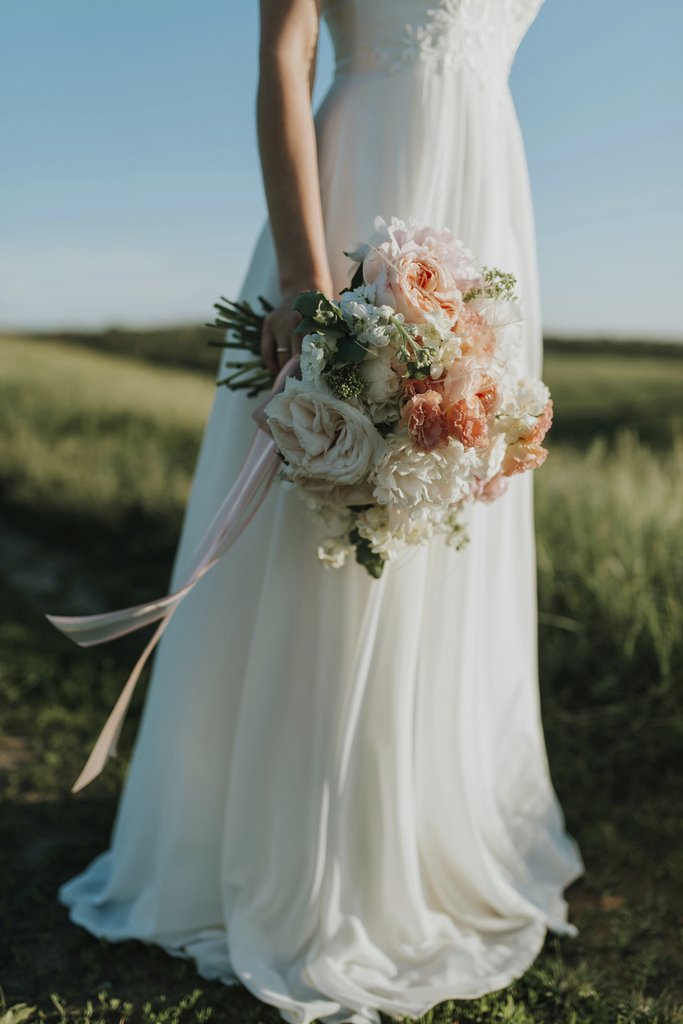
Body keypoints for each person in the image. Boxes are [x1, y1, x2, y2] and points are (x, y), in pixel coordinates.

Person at [58, 2, 584, 1022]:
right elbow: (283, 47)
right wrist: (305, 281)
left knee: (450, 494)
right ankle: (304, 845)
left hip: (488, 201)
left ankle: (421, 819)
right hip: (354, 199)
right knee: (324, 517)